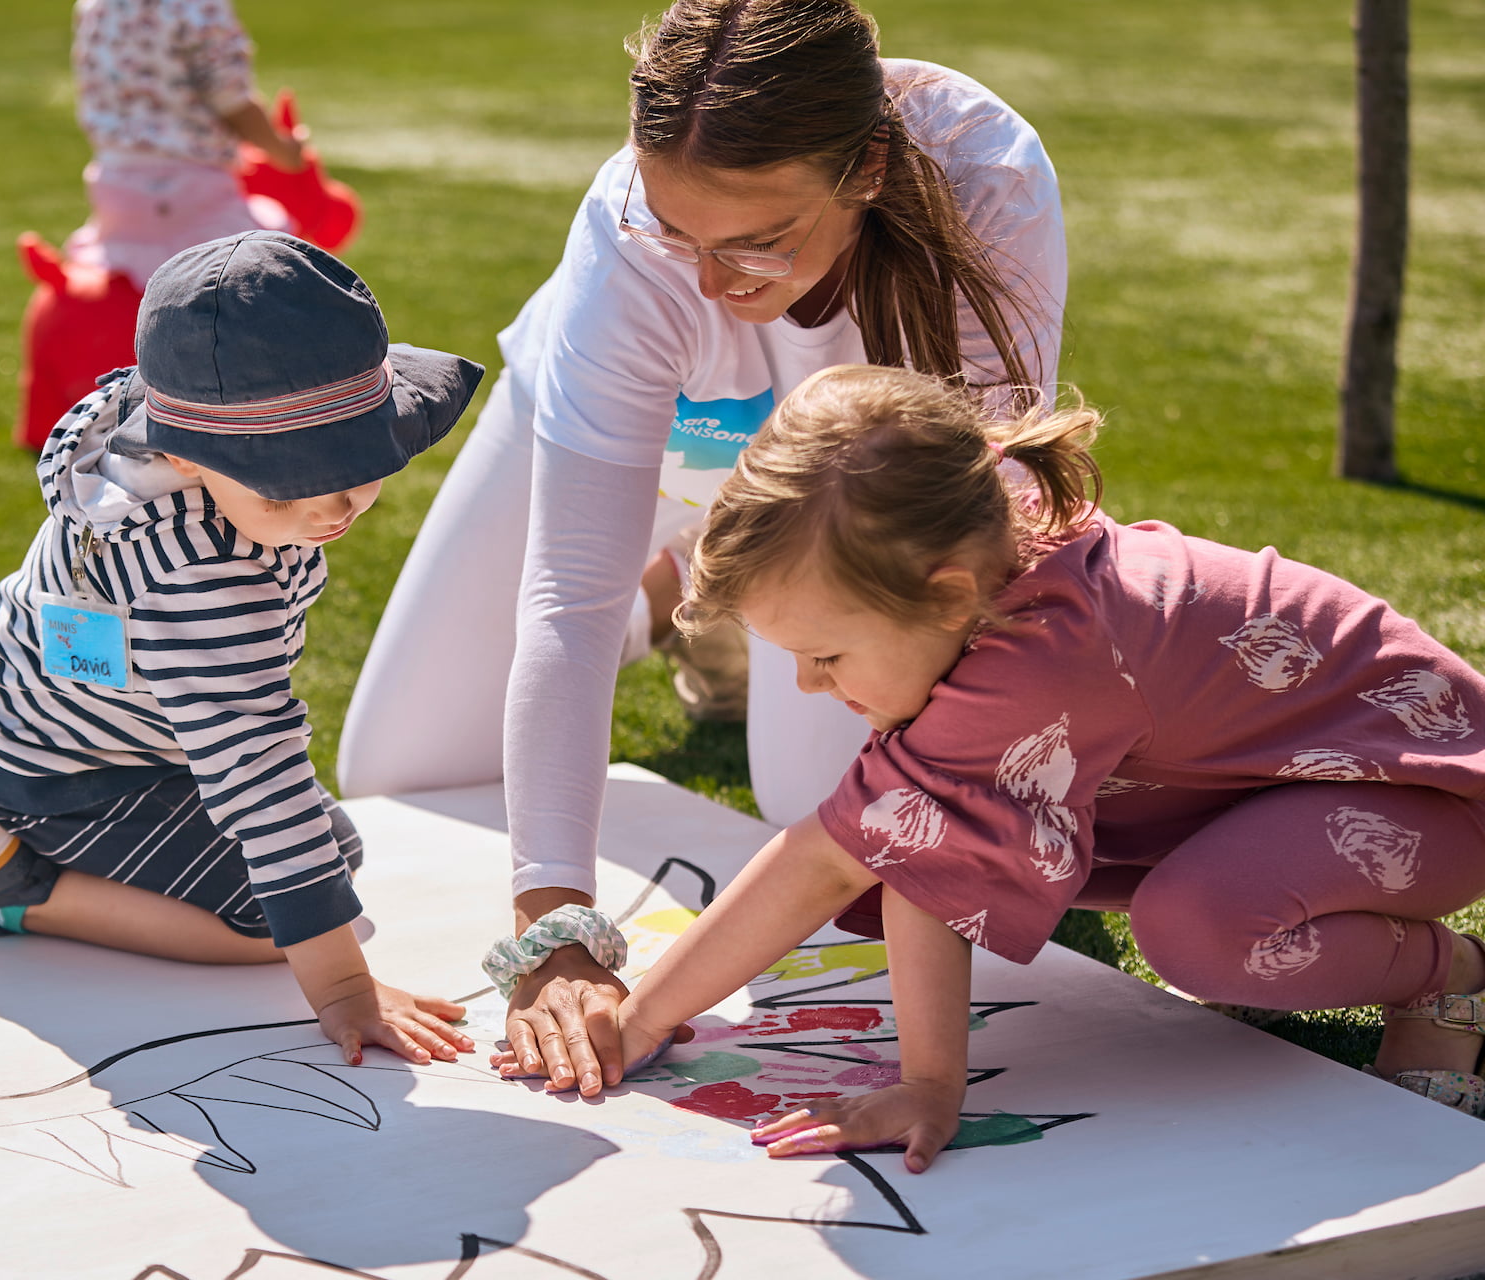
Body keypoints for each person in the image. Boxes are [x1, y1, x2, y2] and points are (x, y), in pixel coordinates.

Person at [338, 0, 1067, 1095]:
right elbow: (569, 597)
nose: (714, 285)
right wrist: (554, 921)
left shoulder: (990, 180)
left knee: (814, 815)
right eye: (679, 233)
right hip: (671, 425)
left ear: (866, 167)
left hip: (846, 480)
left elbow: (975, 521)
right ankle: (688, 592)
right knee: (394, 771)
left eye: (759, 243)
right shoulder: (626, 241)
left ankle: (717, 588)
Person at [498, 363, 1485, 1164]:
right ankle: (1279, 904)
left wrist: (645, 1019)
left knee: (1194, 930)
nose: (805, 684)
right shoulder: (965, 568)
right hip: (1259, 792)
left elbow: (828, 859)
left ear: (947, 588)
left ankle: (1446, 979)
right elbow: (920, 856)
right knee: (959, 836)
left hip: (1417, 797)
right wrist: (657, 1020)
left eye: (826, 654)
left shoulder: (1046, 656)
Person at [0, 231, 486, 1068]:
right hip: (59, 770)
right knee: (273, 914)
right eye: (296, 476)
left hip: (70, 726)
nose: (340, 500)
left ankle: (20, 842)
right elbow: (256, 773)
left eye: (362, 460)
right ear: (191, 455)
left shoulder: (137, 434)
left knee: (332, 858)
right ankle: (3, 882)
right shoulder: (203, 578)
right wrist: (345, 988)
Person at [66, 0, 307, 289]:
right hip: (193, 188)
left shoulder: (96, 6)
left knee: (132, 294)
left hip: (114, 184)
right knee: (263, 265)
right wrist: (284, 150)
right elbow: (232, 101)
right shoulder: (200, 8)